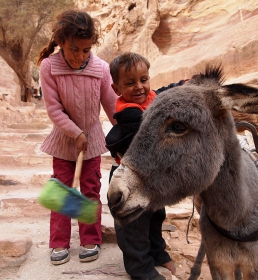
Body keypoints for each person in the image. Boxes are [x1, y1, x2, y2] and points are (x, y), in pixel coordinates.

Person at [37, 10, 117, 265]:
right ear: (61, 41)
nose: (81, 56)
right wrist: (75, 132)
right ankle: (59, 243)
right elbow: (54, 109)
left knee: (90, 190)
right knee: (62, 192)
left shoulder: (101, 68)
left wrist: (124, 136)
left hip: (91, 143)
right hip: (64, 142)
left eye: (86, 50)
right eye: (75, 49)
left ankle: (90, 239)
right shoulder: (49, 67)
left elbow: (112, 107)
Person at [106, 52, 185, 280]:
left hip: (151, 178)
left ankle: (157, 254)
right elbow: (150, 141)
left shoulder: (148, 96)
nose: (139, 87)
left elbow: (162, 92)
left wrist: (181, 86)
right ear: (116, 88)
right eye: (130, 83)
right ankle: (139, 268)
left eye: (144, 79)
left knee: (155, 216)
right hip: (130, 181)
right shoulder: (129, 114)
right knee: (134, 224)